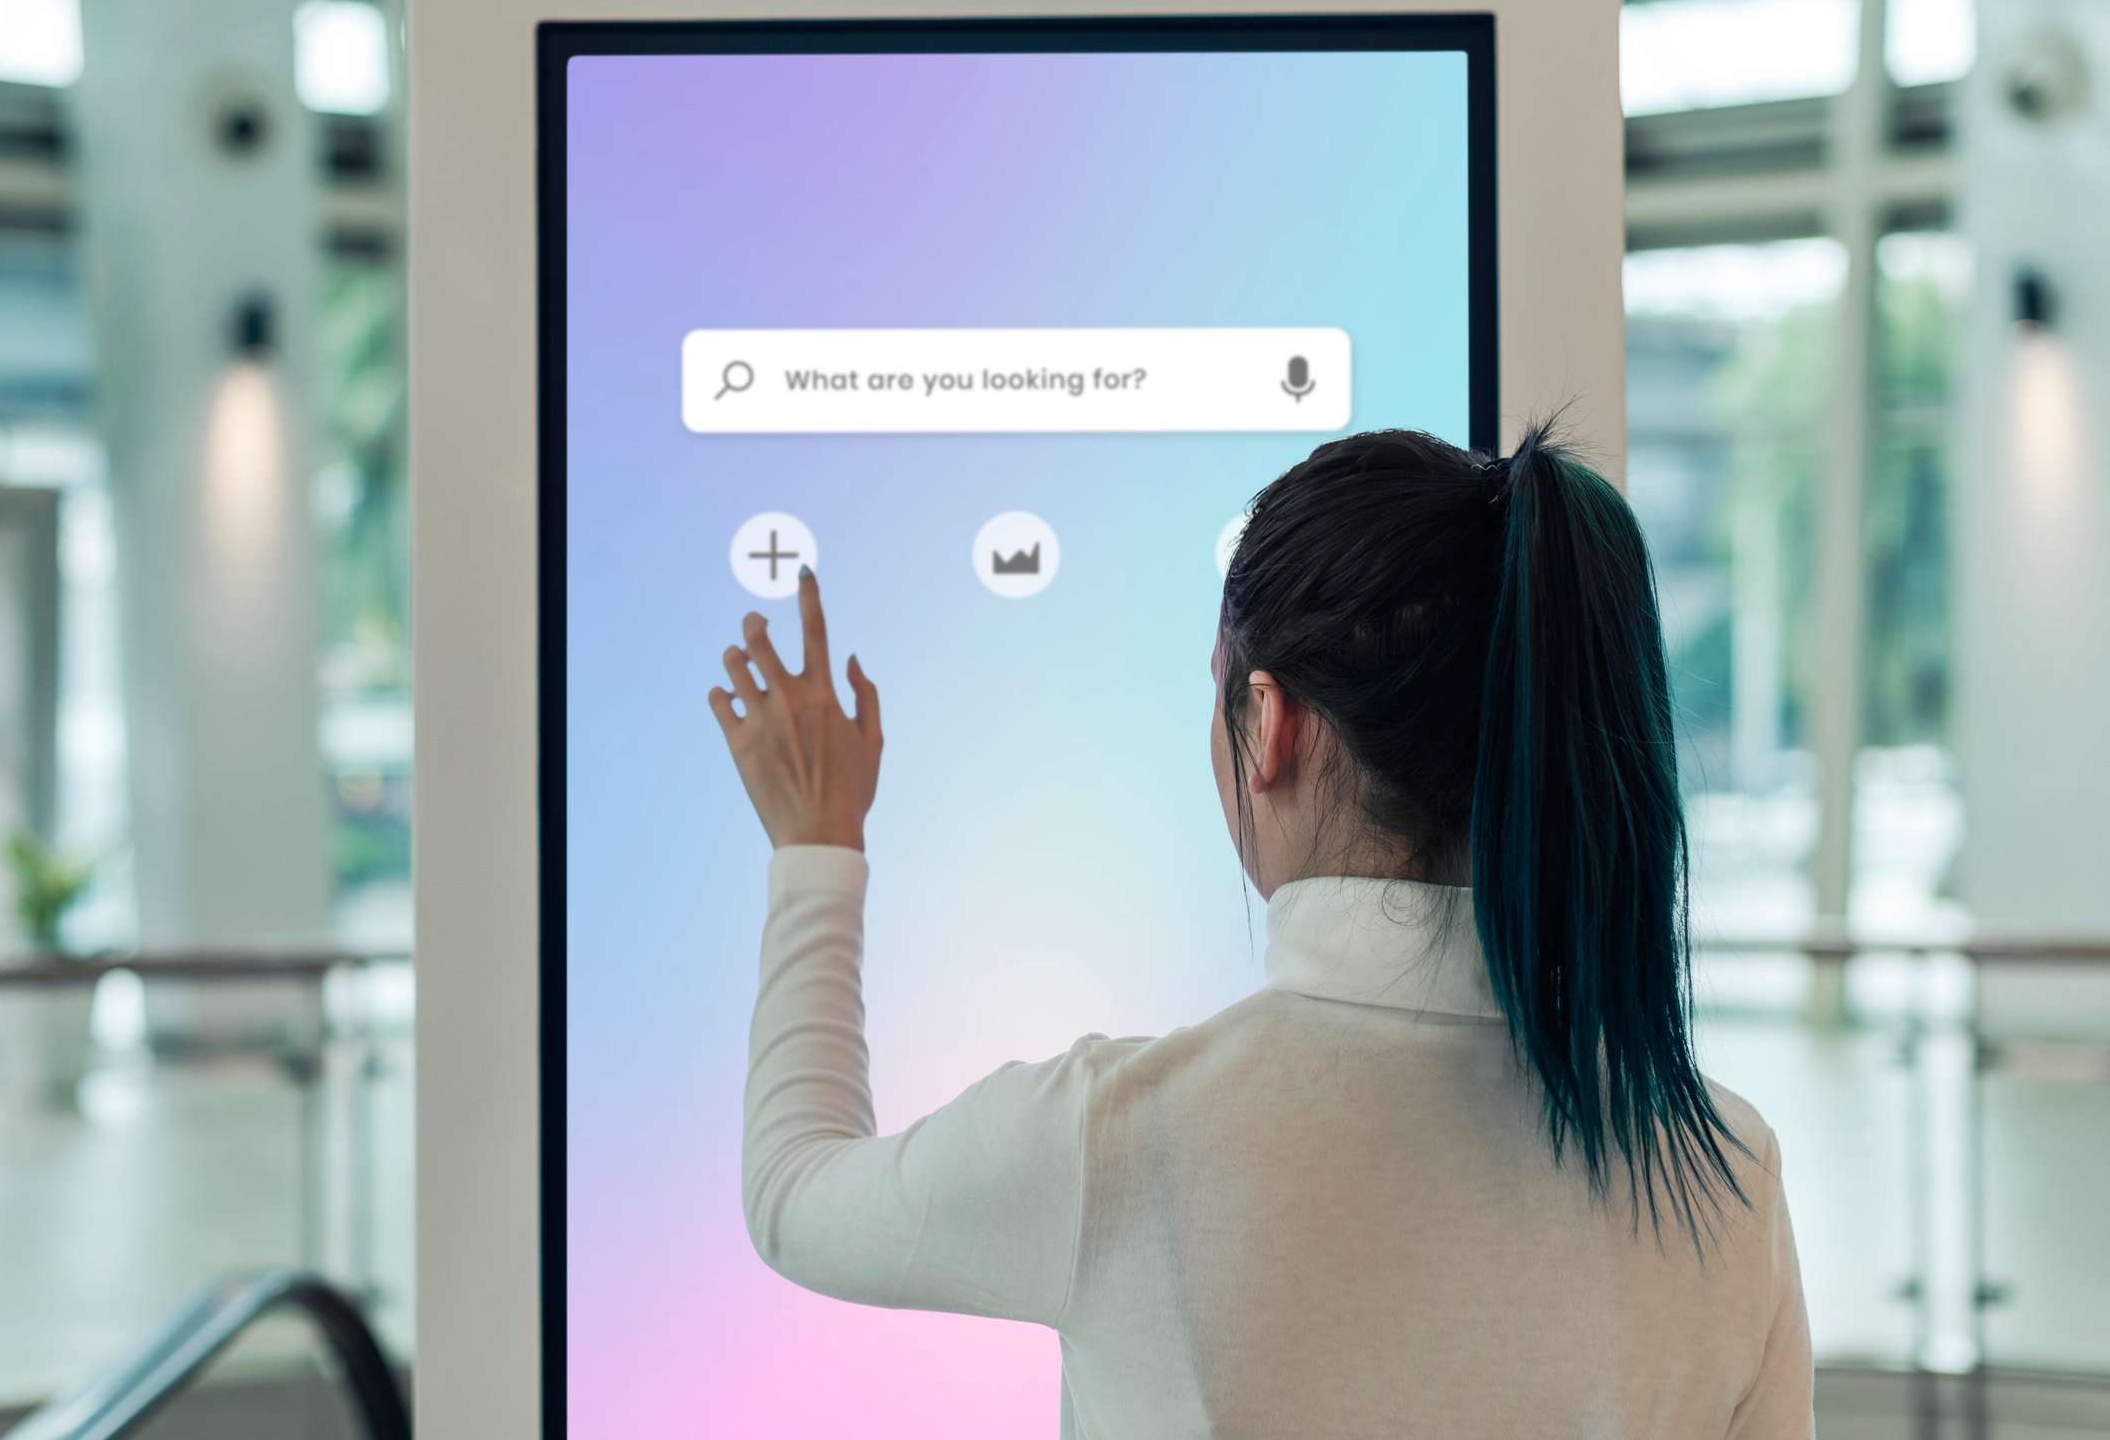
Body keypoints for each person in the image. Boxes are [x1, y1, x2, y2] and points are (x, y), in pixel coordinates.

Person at [706, 424, 1811, 1439]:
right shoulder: (1726, 1174)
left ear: (1272, 724)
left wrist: (816, 846)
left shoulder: (1114, 1138)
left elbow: (795, 1192)